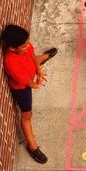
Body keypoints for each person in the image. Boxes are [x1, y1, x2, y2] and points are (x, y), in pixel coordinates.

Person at [1, 24, 58, 164]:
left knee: (36, 58)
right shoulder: (10, 62)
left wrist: (38, 70)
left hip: (30, 67)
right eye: (24, 45)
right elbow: (26, 82)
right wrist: (36, 84)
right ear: (13, 48)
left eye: (27, 42)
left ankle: (45, 56)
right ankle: (33, 147)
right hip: (22, 88)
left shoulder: (24, 47)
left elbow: (31, 53)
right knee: (27, 115)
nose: (28, 46)